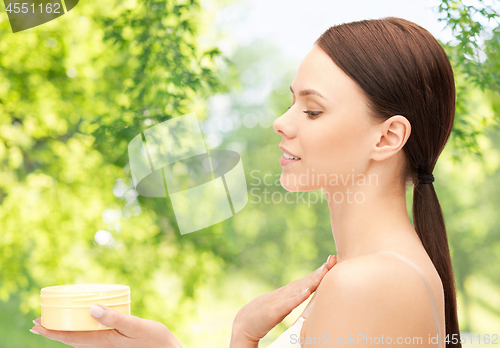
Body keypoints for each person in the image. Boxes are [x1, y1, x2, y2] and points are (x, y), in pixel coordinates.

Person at [31, 16, 461, 348]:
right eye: (292, 102)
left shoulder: (367, 283)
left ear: (387, 137)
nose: (280, 122)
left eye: (312, 111)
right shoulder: (376, 274)